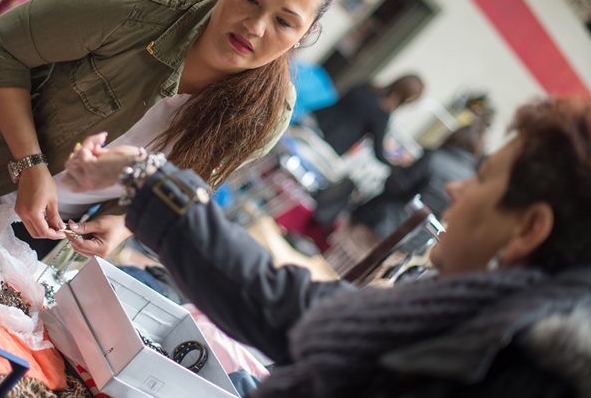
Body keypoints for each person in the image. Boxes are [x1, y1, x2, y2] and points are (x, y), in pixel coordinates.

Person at [63, 96, 591, 397]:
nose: (456, 188)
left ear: (526, 231)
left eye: (485, 179)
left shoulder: (495, 360)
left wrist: (148, 178)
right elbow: (289, 305)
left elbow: (284, 310)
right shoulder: (467, 316)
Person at [0, 0, 343, 258]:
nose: (255, 26)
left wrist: (123, 222)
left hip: (36, 239)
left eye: (285, 22)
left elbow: (187, 185)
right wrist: (29, 165)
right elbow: (1, 46)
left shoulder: (265, 116)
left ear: (307, 34)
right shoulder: (134, 1)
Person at [351, 121, 486, 243]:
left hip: (379, 225)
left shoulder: (433, 157)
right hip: (411, 242)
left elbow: (393, 186)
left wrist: (402, 168)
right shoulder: (471, 182)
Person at [312, 74, 424, 165]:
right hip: (326, 145)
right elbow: (379, 154)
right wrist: (399, 163)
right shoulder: (381, 114)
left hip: (313, 121)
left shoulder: (366, 87)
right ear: (408, 98)